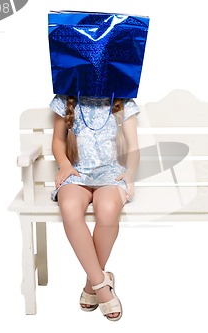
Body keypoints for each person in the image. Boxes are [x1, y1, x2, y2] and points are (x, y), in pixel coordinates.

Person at [50, 94, 140, 321]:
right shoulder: (65, 99)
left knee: (108, 211)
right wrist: (64, 164)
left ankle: (92, 285)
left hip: (111, 174)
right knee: (69, 208)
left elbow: (133, 147)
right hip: (77, 173)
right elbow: (58, 141)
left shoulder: (123, 102)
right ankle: (102, 286)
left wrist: (130, 174)